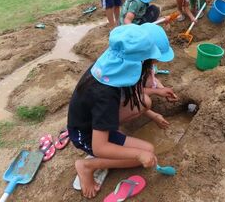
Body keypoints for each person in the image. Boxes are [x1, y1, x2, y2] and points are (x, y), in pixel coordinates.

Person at [67, 23, 176, 198]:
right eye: (152, 64)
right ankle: (87, 166)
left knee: (144, 104)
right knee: (146, 152)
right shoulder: (105, 94)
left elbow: (132, 95)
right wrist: (138, 154)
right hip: (85, 134)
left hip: (94, 119)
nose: (152, 69)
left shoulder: (114, 63)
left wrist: (154, 110)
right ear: (140, 62)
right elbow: (100, 147)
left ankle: (109, 133)